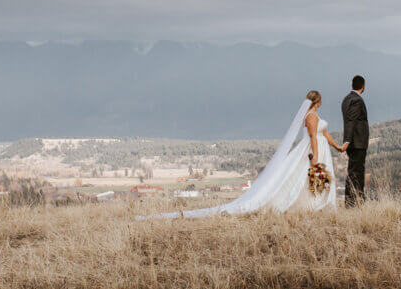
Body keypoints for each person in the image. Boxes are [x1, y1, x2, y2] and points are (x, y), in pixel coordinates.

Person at [141, 90, 344, 218]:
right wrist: (315, 155)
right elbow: (314, 137)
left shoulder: (316, 117)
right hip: (312, 151)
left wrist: (338, 147)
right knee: (307, 178)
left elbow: (325, 134)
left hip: (322, 150)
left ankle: (316, 205)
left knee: (314, 179)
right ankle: (313, 205)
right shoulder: (312, 118)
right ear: (319, 101)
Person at [341, 75, 369, 206]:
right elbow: (351, 121)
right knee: (357, 173)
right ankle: (355, 202)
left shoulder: (346, 99)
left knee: (353, 171)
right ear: (363, 86)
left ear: (352, 84)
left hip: (353, 143)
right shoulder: (357, 100)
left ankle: (351, 201)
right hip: (357, 143)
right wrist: (347, 140)